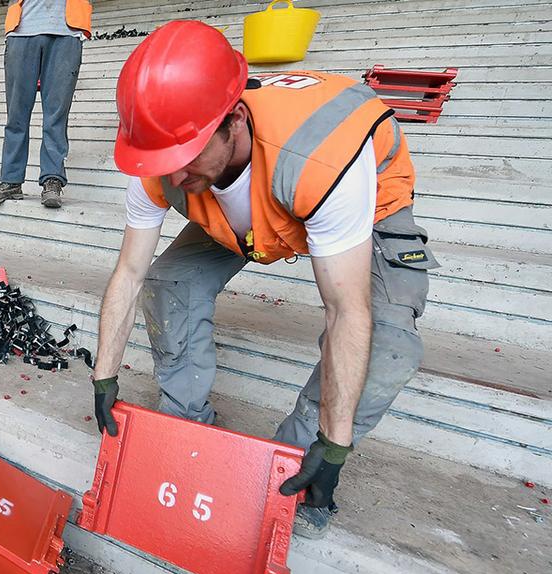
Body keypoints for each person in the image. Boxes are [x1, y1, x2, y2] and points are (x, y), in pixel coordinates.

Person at [92, 21, 437, 539]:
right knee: (169, 283)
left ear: (234, 120)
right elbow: (131, 272)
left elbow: (346, 310)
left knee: (387, 344)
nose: (172, 178)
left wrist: (334, 443)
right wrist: (104, 374)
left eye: (185, 160)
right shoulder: (165, 155)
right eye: (163, 164)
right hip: (248, 214)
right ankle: (185, 424)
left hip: (357, 207)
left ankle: (291, 467)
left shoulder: (321, 160)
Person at [0, 0, 92, 209]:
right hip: (22, 30)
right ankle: (11, 180)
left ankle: (52, 180)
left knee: (56, 115)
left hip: (66, 31)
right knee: (16, 115)